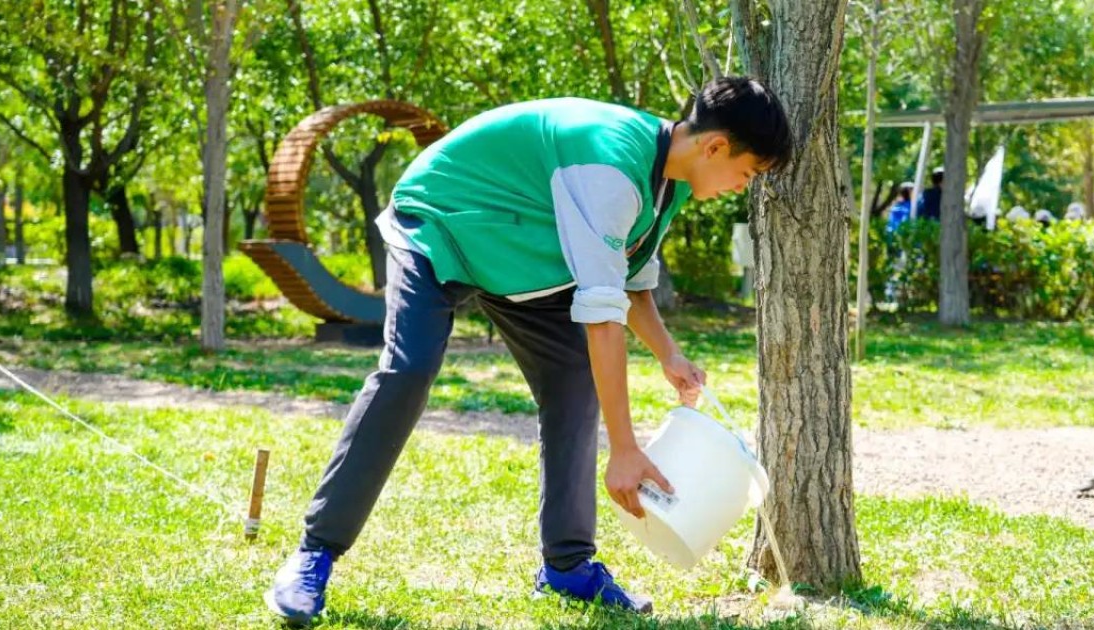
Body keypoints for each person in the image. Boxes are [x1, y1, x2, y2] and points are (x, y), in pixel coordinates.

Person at [262, 76, 793, 625]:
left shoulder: (670, 181)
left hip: (522, 263)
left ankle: (568, 568)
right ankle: (314, 553)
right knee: (409, 371)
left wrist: (668, 354)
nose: (741, 185)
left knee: (572, 386)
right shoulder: (611, 164)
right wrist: (626, 449)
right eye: (747, 173)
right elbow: (601, 315)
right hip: (441, 221)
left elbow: (631, 279)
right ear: (715, 147)